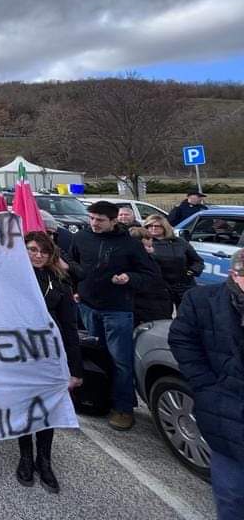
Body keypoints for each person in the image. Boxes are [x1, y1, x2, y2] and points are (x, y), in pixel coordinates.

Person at [68, 201, 161, 431]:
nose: (94, 223)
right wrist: (75, 290)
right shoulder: (81, 238)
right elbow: (72, 264)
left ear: (113, 220)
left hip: (117, 310)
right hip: (88, 307)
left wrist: (129, 278)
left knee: (120, 360)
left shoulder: (130, 244)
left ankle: (123, 407)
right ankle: (98, 397)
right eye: (91, 218)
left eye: (99, 220)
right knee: (95, 357)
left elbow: (150, 274)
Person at [168, 249, 244, 519]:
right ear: (235, 273)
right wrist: (206, 387)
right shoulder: (203, 300)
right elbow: (181, 340)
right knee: (233, 498)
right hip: (225, 419)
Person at [16, 232, 82, 493]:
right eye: (32, 249)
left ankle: (44, 460)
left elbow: (69, 328)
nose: (37, 255)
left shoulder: (59, 283)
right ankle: (25, 456)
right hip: (19, 354)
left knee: (47, 408)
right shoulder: (11, 280)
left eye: (43, 250)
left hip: (51, 357)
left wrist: (75, 370)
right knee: (24, 405)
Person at [142, 214, 204, 307]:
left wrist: (191, 272)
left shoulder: (180, 242)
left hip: (183, 284)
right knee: (162, 317)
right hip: (160, 287)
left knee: (188, 314)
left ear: (164, 227)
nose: (153, 228)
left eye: (157, 226)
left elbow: (197, 261)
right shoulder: (143, 243)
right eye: (150, 226)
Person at [127, 227, 173, 326]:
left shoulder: (152, 257)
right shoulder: (133, 260)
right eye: (146, 240)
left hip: (159, 302)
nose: (150, 242)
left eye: (150, 239)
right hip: (145, 306)